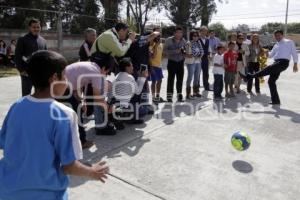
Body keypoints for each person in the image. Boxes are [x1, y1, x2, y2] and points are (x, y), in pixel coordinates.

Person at [0, 50, 109, 200]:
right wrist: (92, 172)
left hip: (7, 190)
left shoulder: (17, 105)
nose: (67, 80)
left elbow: (4, 142)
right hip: (46, 194)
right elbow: (69, 165)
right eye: (64, 75)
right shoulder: (64, 114)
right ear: (54, 78)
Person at [64, 61, 116, 148]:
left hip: (61, 82)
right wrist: (107, 108)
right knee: (77, 113)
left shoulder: (93, 65)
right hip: (62, 86)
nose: (105, 75)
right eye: (106, 72)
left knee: (72, 110)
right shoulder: (96, 73)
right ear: (103, 68)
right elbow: (97, 98)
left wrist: (81, 101)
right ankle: (82, 141)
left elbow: (77, 82)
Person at [240, 30, 298, 105]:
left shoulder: (289, 42)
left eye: (279, 35)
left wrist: (295, 63)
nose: (277, 37)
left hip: (283, 62)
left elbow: (294, 52)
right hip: (276, 62)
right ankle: (276, 101)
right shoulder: (276, 45)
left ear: (282, 35)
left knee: (268, 68)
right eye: (276, 35)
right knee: (271, 81)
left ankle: (250, 76)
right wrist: (266, 52)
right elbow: (270, 55)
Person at [15, 18, 47, 96]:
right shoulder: (22, 40)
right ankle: (25, 108)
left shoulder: (43, 41)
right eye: (34, 27)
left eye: (38, 27)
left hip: (40, 73)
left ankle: (37, 108)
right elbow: (18, 56)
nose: (36, 29)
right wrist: (21, 70)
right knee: (26, 95)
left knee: (40, 94)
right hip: (26, 73)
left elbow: (46, 56)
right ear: (29, 28)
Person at [112, 57, 148, 124]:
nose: (133, 67)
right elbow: (138, 91)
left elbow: (135, 87)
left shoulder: (117, 75)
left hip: (118, 103)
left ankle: (128, 115)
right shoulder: (129, 77)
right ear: (127, 67)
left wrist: (140, 77)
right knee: (145, 111)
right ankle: (130, 118)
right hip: (126, 105)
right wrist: (143, 78)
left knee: (136, 97)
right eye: (131, 66)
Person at [164, 26, 186, 102]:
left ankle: (179, 96)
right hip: (172, 62)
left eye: (181, 33)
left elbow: (185, 50)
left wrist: (185, 53)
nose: (179, 34)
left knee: (180, 80)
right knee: (171, 80)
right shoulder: (168, 40)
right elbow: (165, 52)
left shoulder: (183, 40)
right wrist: (175, 51)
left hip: (181, 62)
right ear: (174, 33)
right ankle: (169, 97)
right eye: (178, 32)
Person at [79, 28, 97, 117]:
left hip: (92, 72)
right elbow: (91, 56)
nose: (95, 37)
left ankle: (90, 110)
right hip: (85, 73)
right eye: (92, 35)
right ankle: (87, 112)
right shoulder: (85, 45)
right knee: (87, 92)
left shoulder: (93, 44)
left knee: (92, 91)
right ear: (87, 36)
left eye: (95, 35)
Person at [185, 30, 204, 99]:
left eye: (197, 36)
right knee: (190, 77)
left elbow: (202, 51)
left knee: (197, 77)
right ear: (191, 36)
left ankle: (195, 92)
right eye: (194, 36)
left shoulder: (199, 42)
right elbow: (190, 53)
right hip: (191, 62)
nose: (196, 37)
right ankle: (188, 94)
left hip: (198, 62)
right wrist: (196, 55)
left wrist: (198, 56)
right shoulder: (188, 43)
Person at [149, 29, 165, 104]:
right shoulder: (151, 44)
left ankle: (158, 96)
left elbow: (161, 55)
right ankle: (153, 97)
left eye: (160, 33)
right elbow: (152, 56)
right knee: (154, 81)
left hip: (159, 66)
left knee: (160, 81)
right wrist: (156, 45)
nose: (159, 34)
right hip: (153, 66)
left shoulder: (161, 44)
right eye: (157, 33)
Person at [198, 26, 212, 91]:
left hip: (205, 58)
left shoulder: (207, 40)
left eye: (205, 31)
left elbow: (209, 49)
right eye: (203, 31)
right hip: (198, 58)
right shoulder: (197, 39)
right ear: (200, 32)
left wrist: (210, 55)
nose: (204, 32)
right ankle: (196, 87)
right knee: (197, 73)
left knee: (206, 73)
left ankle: (206, 86)